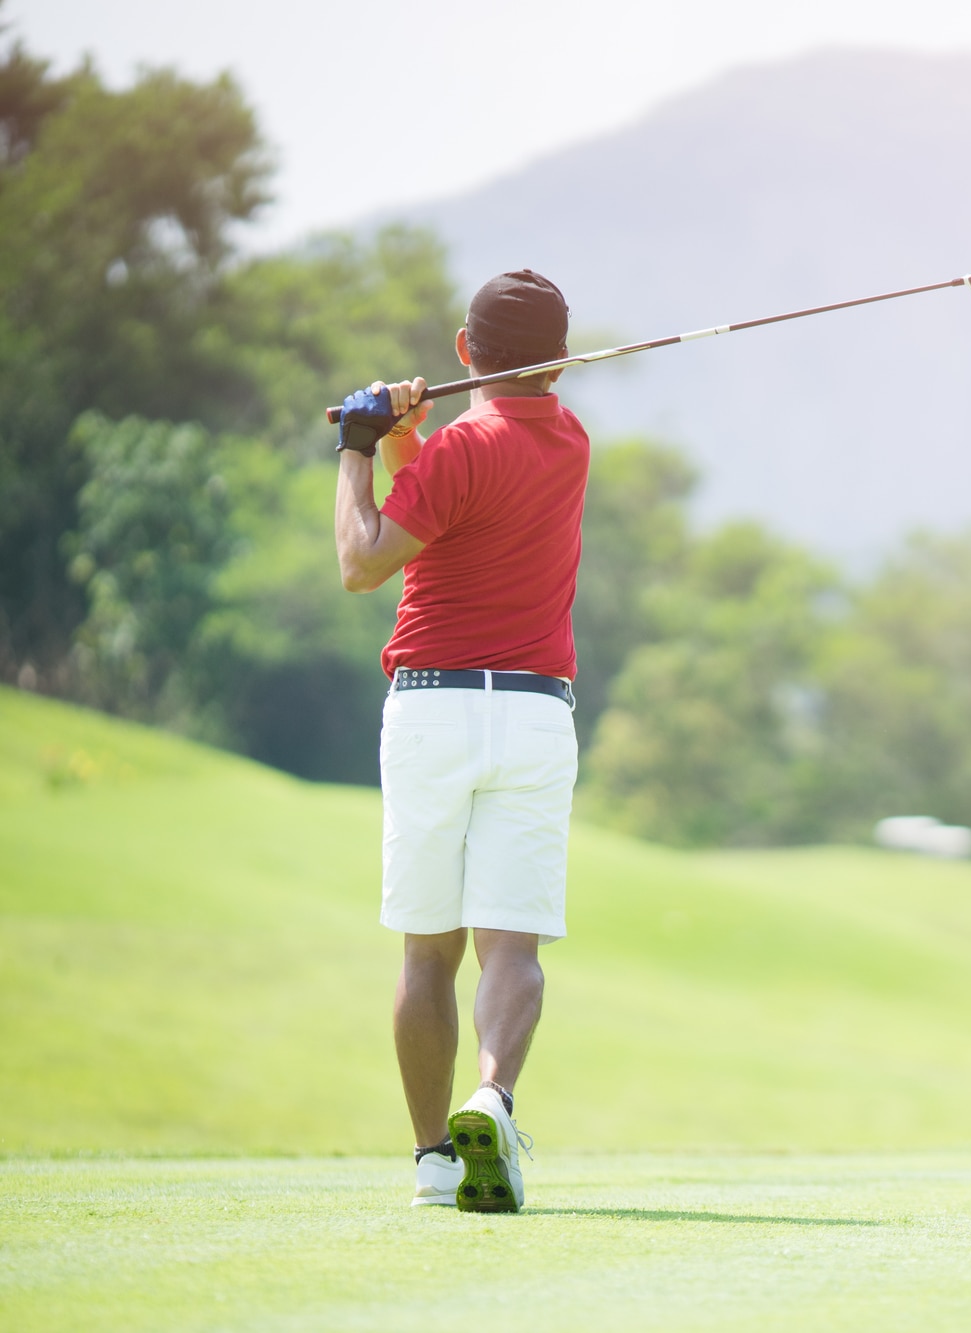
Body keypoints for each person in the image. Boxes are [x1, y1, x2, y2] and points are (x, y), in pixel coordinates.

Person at [332, 270, 590, 1213]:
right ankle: (495, 1094)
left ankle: (434, 1159)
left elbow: (365, 562)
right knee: (510, 946)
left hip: (434, 709)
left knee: (425, 954)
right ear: (561, 357)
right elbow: (450, 493)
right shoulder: (570, 441)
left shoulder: (457, 454)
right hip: (533, 713)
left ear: (461, 351)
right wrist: (406, 438)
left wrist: (359, 449)